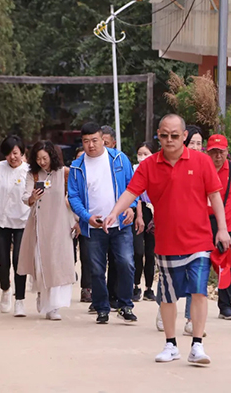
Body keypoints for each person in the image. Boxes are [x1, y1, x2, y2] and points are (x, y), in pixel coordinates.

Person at [103, 114, 231, 365]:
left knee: (198, 291)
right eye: (164, 135)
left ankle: (197, 345)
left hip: (199, 241)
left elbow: (215, 196)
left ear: (184, 136)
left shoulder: (202, 162)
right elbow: (131, 192)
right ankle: (171, 344)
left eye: (175, 135)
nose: (169, 140)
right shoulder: (149, 165)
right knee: (168, 295)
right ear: (158, 136)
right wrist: (114, 213)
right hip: (167, 241)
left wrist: (222, 229)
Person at [68, 122, 138, 324]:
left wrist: (130, 207)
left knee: (126, 263)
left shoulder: (118, 159)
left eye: (95, 140)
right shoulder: (77, 167)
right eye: (86, 141)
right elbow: (73, 196)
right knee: (97, 270)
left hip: (120, 223)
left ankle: (125, 305)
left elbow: (132, 186)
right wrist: (86, 216)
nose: (91, 145)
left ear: (102, 139)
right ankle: (101, 308)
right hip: (94, 226)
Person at [18, 140, 77, 320]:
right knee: (41, 262)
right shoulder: (33, 175)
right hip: (39, 224)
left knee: (58, 263)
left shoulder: (64, 173)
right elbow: (25, 196)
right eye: (38, 159)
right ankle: (42, 297)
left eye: (45, 158)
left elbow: (74, 197)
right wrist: (32, 198)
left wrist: (77, 220)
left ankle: (54, 306)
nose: (42, 162)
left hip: (60, 223)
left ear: (52, 156)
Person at [155, 125, 205, 335]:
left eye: (199, 144)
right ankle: (165, 307)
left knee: (196, 284)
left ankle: (191, 322)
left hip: (200, 229)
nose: (195, 146)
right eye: (192, 142)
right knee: (171, 279)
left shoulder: (203, 164)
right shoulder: (162, 164)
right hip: (171, 231)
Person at [0, 135, 31, 316]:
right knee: (1, 262)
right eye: (9, 154)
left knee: (20, 261)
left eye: (16, 153)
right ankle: (5, 288)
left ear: (22, 152)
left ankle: (20, 299)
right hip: (1, 221)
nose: (13, 157)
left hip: (23, 221)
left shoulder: (28, 171)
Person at [206, 134, 231, 320]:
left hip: (226, 223)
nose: (217, 156)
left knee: (225, 265)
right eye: (213, 152)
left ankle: (225, 306)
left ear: (227, 152)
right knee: (202, 262)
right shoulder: (202, 167)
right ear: (207, 152)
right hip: (203, 221)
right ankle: (197, 303)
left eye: (221, 152)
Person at [132, 142, 156, 302]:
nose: (142, 157)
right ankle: (135, 285)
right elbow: (136, 194)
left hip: (154, 212)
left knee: (151, 253)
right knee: (138, 251)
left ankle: (148, 287)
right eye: (139, 154)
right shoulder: (135, 171)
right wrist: (139, 216)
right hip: (138, 212)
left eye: (145, 154)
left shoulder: (156, 171)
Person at [100, 125, 119, 309]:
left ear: (113, 143)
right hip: (96, 221)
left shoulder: (120, 162)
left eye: (106, 143)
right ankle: (100, 300)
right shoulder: (90, 162)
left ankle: (114, 295)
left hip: (117, 221)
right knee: (97, 264)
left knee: (116, 260)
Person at [72, 147, 93, 304]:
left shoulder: (93, 176)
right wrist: (75, 220)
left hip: (89, 221)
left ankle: (90, 289)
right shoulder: (71, 175)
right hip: (71, 221)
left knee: (89, 256)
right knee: (75, 256)